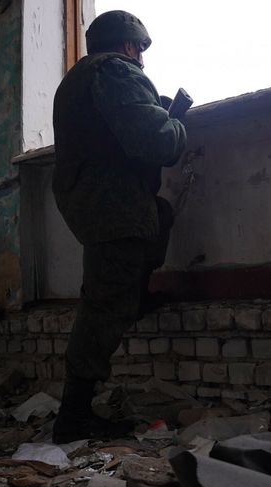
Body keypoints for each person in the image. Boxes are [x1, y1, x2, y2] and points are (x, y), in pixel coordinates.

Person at [51, 10, 187, 443]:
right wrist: (175, 124)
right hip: (112, 206)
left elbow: (114, 131)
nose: (141, 60)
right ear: (129, 45)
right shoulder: (115, 70)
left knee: (159, 218)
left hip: (95, 201)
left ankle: (138, 297)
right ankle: (72, 418)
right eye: (140, 50)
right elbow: (158, 142)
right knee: (103, 307)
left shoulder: (79, 77)